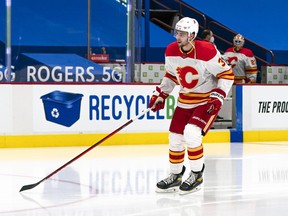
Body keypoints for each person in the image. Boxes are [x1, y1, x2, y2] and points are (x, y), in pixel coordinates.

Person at [148, 17, 234, 195]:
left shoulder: (207, 50)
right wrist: (161, 94)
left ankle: (197, 175)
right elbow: (171, 75)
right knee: (175, 138)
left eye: (183, 34)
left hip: (205, 101)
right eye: (177, 32)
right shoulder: (171, 50)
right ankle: (175, 174)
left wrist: (218, 96)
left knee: (192, 134)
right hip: (184, 101)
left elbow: (227, 74)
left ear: (193, 35)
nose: (178, 36)